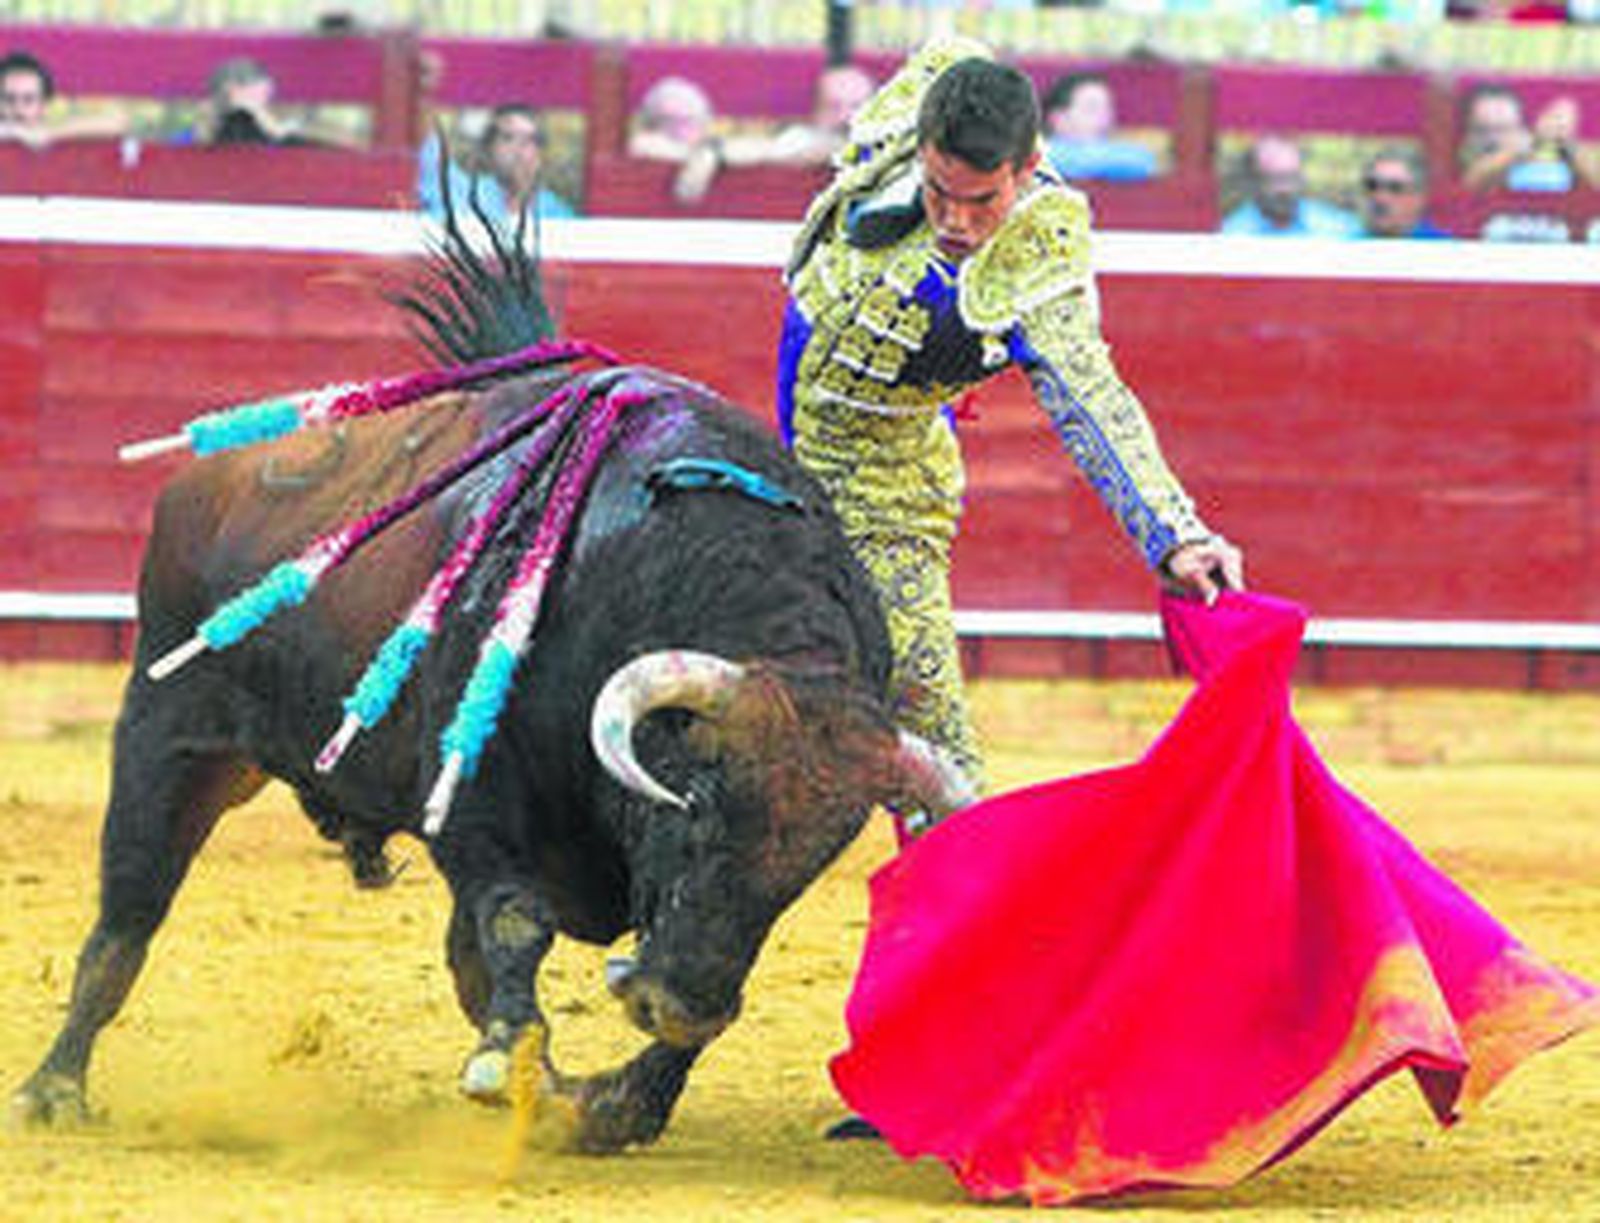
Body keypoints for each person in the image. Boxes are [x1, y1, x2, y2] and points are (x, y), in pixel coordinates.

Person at [778, 38, 1243, 805]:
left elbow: (1092, 395)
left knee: (942, 769)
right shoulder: (937, 91)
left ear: (1025, 170)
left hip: (882, 493)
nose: (957, 221)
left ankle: (953, 885)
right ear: (922, 145)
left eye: (983, 201)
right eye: (939, 193)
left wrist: (1174, 533)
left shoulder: (1037, 259)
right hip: (775, 459)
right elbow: (953, 53)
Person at [418, 103, 578, 229]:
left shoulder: (558, 213)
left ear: (541, 154)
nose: (519, 148)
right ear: (489, 149)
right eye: (508, 138)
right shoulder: (461, 192)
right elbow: (424, 137)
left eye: (530, 140)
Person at [1459, 83, 1595, 192]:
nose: (1494, 139)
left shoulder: (1553, 153)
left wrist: (1565, 144)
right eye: (1483, 130)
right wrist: (1529, 145)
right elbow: (1473, 182)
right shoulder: (1469, 155)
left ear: (1521, 128)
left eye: (1505, 129)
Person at [1219, 135, 1361, 237]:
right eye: (1275, 180)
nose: (1284, 190)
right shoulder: (1231, 234)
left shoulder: (1339, 229)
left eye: (1291, 178)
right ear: (1254, 182)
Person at [1041, 70, 1158, 183]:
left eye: (1108, 108)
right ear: (1058, 119)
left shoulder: (1126, 153)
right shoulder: (1042, 155)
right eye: (1091, 109)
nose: (1104, 118)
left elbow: (1144, 161)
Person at [0, 48, 128, 149]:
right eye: (9, 99)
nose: (18, 109)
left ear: (44, 104)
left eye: (28, 100)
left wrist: (49, 134)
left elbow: (117, 121)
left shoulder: (56, 119)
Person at [1357, 146, 1450, 239]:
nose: (1380, 197)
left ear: (1419, 198)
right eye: (1372, 185)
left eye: (1395, 188)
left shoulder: (1441, 246)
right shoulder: (1352, 243)